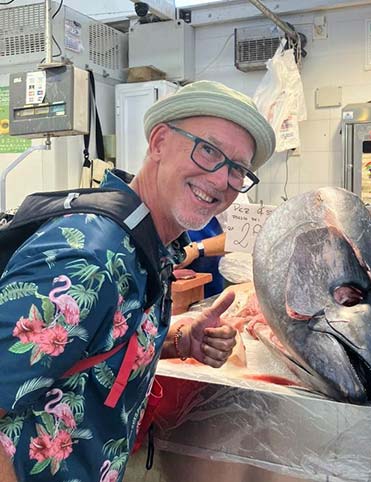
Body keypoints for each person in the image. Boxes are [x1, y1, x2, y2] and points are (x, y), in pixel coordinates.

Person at [0, 80, 276, 482]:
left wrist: (178, 341)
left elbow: (92, 349)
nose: (221, 180)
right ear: (160, 142)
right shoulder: (91, 258)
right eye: (209, 150)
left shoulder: (146, 247)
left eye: (238, 169)